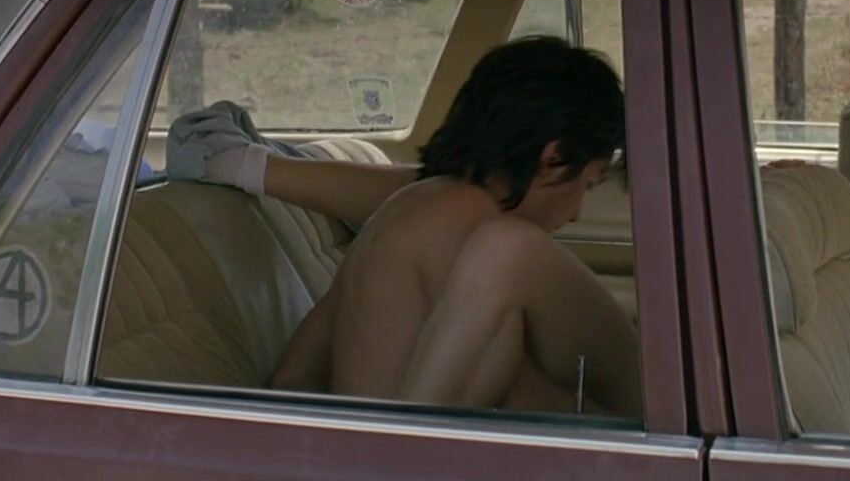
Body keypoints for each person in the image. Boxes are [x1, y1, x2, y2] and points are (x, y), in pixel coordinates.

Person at [170, 36, 641, 418]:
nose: (577, 212)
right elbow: (528, 402)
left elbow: (294, 376)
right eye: (588, 184)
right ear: (553, 160)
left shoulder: (406, 208)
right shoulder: (487, 241)